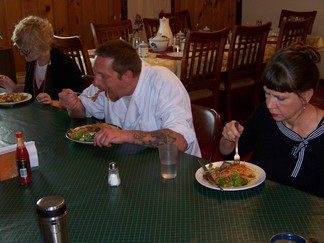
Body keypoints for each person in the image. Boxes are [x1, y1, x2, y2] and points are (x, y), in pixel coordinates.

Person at [58, 39, 201, 156]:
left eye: (103, 76)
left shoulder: (162, 82)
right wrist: (73, 105)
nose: (96, 82)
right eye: (96, 74)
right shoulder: (103, 86)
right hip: (134, 165)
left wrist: (126, 135)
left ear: (127, 76)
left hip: (176, 170)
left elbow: (180, 141)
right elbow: (82, 110)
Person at [219, 43, 324, 197]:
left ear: (306, 96)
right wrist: (228, 137)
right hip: (260, 210)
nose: (270, 105)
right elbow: (230, 155)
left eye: (280, 98)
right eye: (267, 93)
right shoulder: (264, 116)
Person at [0, 16, 84, 107]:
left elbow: (79, 103)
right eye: (20, 49)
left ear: (39, 46)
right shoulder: (32, 61)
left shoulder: (65, 65)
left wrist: (54, 102)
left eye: (25, 50)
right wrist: (16, 88)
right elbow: (33, 93)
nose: (21, 53)